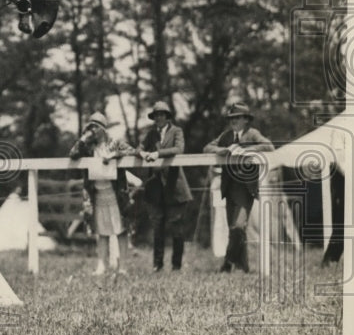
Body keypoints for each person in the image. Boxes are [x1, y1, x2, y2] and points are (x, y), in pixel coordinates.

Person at [204, 102, 274, 273]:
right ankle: (244, 267)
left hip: (245, 188)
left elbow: (269, 146)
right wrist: (221, 150)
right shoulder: (226, 135)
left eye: (237, 118)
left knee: (238, 226)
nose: (233, 121)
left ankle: (227, 263)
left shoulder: (252, 134)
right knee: (234, 230)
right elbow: (207, 147)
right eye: (231, 118)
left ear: (245, 120)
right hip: (228, 187)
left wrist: (245, 149)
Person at [69, 112, 135, 276]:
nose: (93, 131)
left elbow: (132, 151)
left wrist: (114, 154)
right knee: (101, 231)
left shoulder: (114, 143)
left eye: (95, 127)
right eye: (90, 127)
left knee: (120, 230)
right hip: (96, 194)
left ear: (103, 129)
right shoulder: (89, 147)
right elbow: (73, 154)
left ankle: (123, 267)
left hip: (115, 193)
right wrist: (84, 138)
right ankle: (102, 265)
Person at [138, 101, 192, 271]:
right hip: (155, 187)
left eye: (162, 114)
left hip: (174, 185)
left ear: (168, 117)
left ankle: (176, 266)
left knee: (177, 228)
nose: (159, 118)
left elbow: (179, 149)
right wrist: (141, 152)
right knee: (157, 227)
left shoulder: (177, 131)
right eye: (156, 115)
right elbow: (138, 148)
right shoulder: (150, 134)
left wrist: (157, 153)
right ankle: (157, 265)